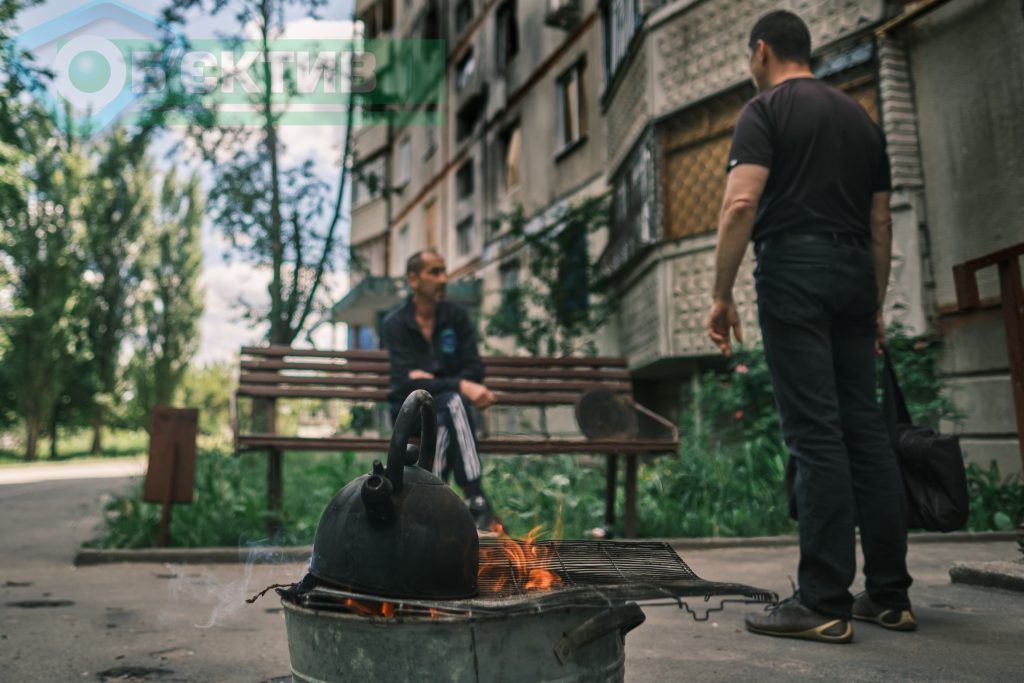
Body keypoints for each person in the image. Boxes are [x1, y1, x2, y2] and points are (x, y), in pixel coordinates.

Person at [705, 10, 914, 643]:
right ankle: (889, 596)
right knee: (865, 433)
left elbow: (742, 202)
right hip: (855, 273)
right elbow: (882, 223)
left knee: (816, 434)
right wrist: (874, 304)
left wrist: (719, 295)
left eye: (749, 59)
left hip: (794, 269)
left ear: (760, 50)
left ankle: (823, 600)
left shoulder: (764, 111)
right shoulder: (861, 118)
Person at [382, 249, 503, 534]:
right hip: (409, 414)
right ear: (413, 279)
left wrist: (429, 378)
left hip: (446, 415)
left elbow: (475, 370)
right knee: (455, 399)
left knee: (449, 409)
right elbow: (403, 384)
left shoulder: (456, 318)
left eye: (444, 271)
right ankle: (475, 496)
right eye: (434, 272)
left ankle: (429, 502)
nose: (443, 279)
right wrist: (456, 383)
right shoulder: (395, 324)